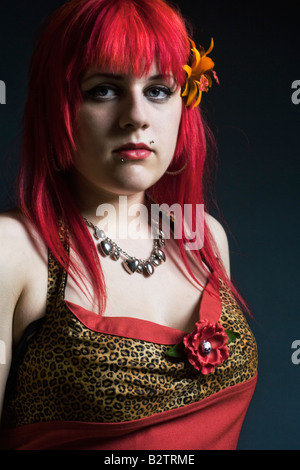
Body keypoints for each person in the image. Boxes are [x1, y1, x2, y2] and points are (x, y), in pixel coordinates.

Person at [0, 0, 257, 450]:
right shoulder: (13, 250)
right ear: (56, 107)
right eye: (103, 89)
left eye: (158, 89)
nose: (136, 116)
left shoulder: (204, 237)